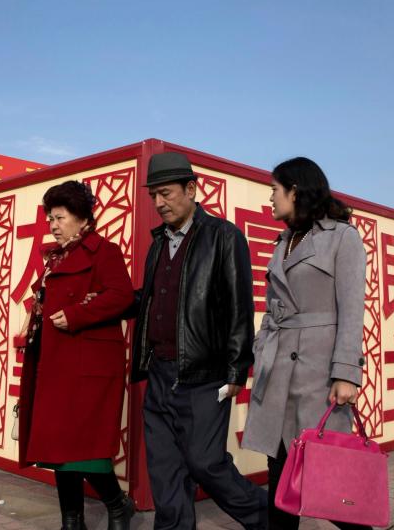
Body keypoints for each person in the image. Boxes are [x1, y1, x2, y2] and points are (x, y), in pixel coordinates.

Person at [128, 152, 268, 530]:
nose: (159, 203)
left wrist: (238, 368)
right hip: (159, 373)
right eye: (153, 195)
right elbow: (152, 297)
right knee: (165, 470)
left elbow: (240, 306)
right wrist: (107, 302)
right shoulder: (158, 244)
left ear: (191, 189)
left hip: (205, 375)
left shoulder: (223, 237)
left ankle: (267, 518)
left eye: (166, 193)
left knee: (206, 463)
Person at [241, 157, 369, 530]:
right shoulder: (283, 241)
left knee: (330, 486)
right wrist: (260, 348)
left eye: (274, 190)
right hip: (278, 373)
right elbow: (273, 310)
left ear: (295, 191)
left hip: (317, 377)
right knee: (280, 478)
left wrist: (346, 373)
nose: (270, 199)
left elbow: (352, 309)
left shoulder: (342, 237)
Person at [15, 181, 136, 530]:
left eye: (60, 217)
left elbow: (122, 296)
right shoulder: (55, 258)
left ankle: (117, 505)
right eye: (50, 218)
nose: (53, 225)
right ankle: (71, 519)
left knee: (86, 451)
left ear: (83, 219)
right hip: (54, 363)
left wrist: (78, 314)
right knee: (57, 448)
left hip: (89, 368)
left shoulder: (105, 252)